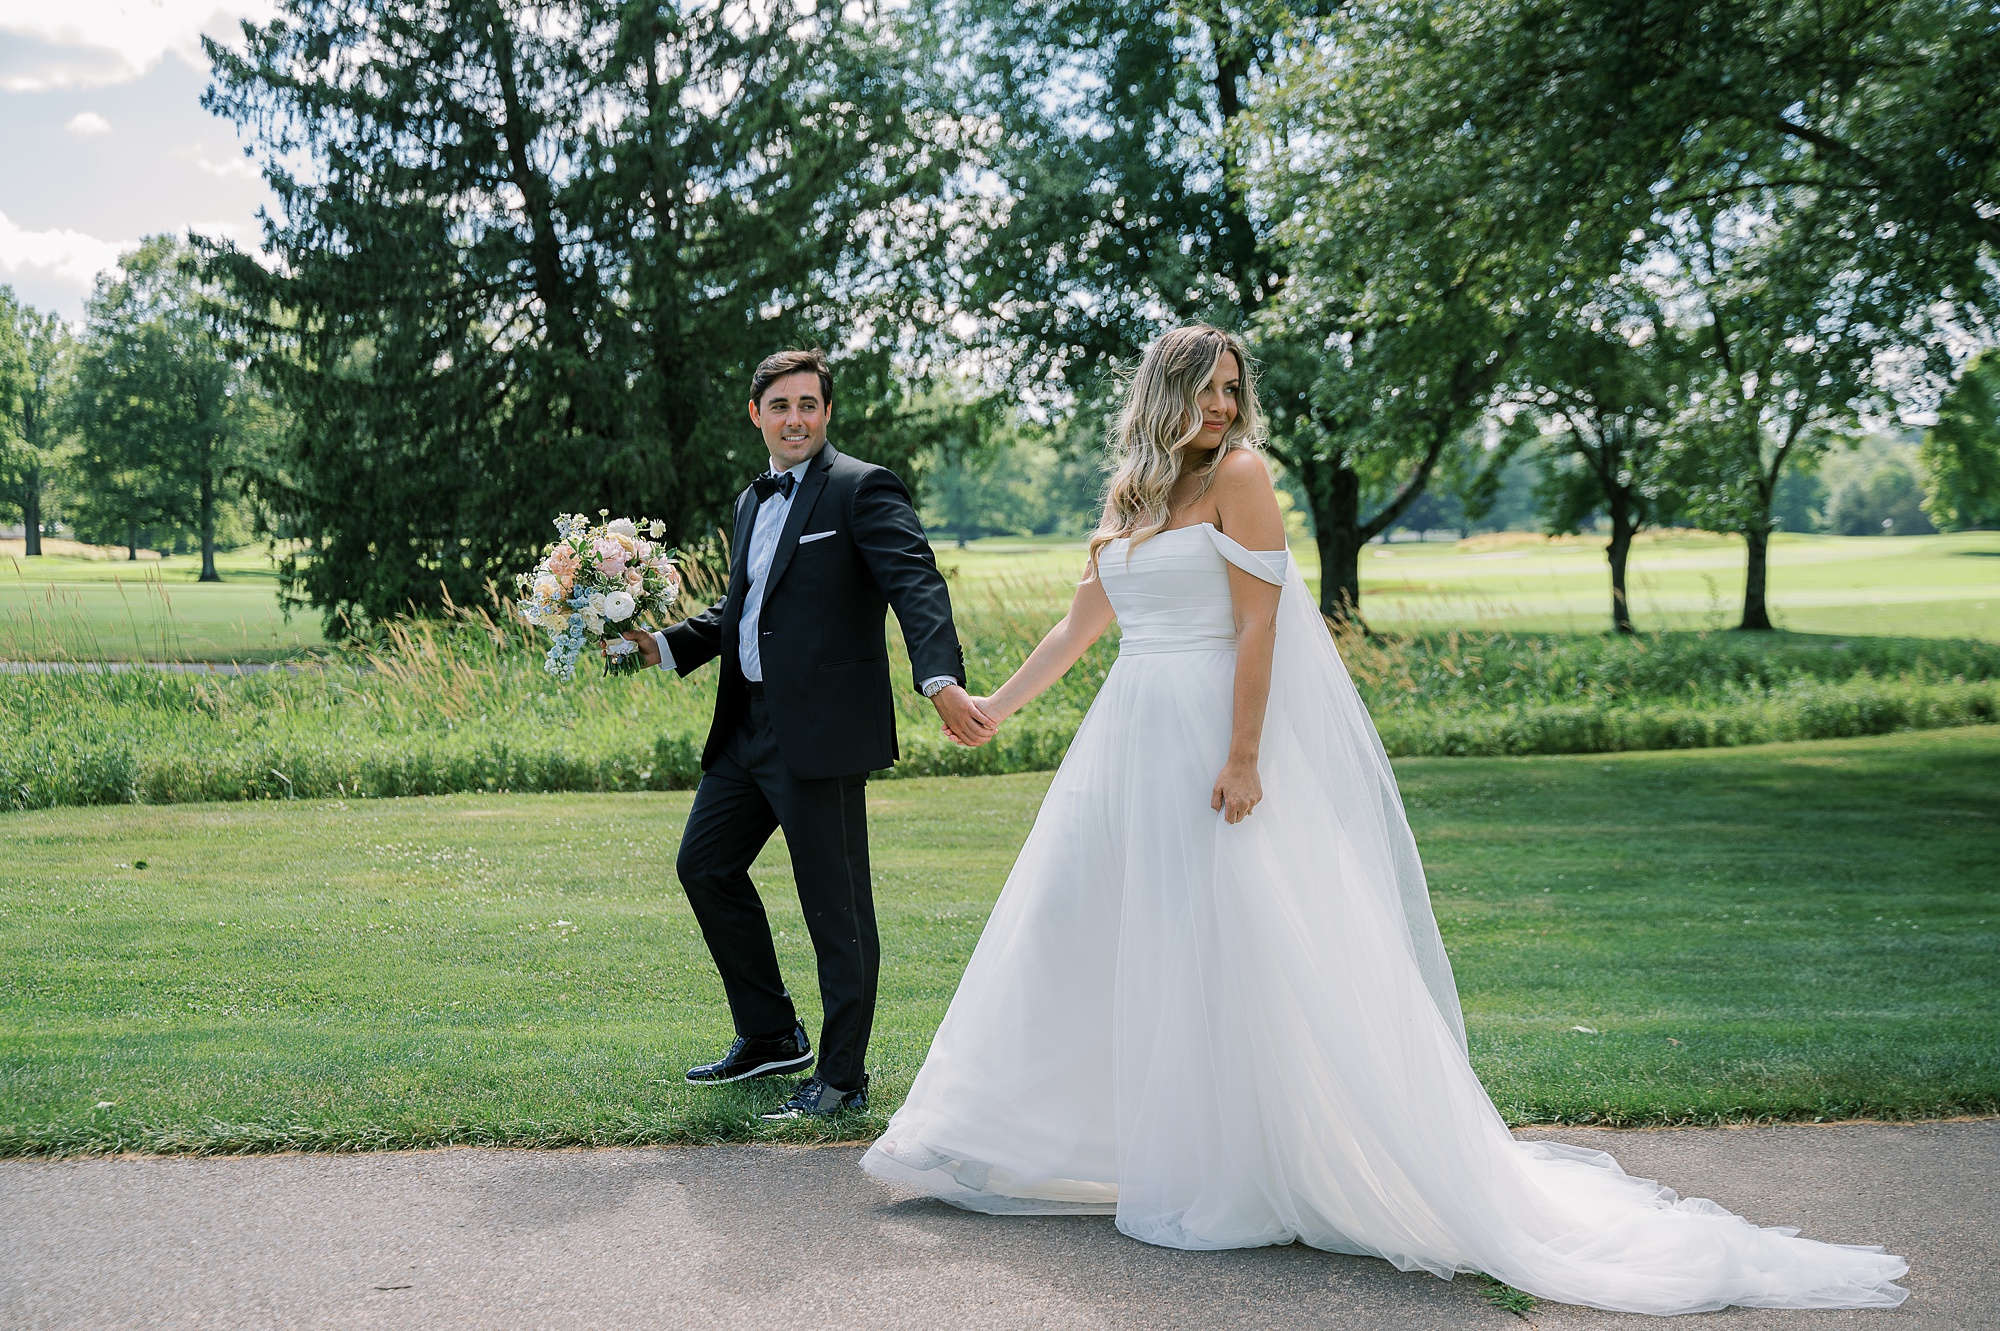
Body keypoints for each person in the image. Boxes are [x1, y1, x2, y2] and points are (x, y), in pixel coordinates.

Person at [860, 324, 1909, 1314]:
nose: (1226, 404)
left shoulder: (1241, 477)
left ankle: (1247, 1165)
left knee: (1236, 951)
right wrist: (995, 705)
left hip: (1208, 740)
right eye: (1211, 386)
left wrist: (1241, 755)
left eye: (1236, 387)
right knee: (1092, 934)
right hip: (1126, 739)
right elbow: (1083, 619)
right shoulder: (1134, 491)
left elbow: (1262, 625)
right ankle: (1019, 1133)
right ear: (1166, 390)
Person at [623, 348, 995, 1120]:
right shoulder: (750, 502)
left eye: (809, 405)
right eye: (781, 405)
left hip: (822, 732)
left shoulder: (862, 488)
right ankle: (770, 1038)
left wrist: (940, 679)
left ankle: (842, 1077)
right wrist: (661, 644)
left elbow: (915, 583)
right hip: (746, 727)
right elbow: (744, 613)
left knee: (837, 907)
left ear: (826, 414)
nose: (796, 419)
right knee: (705, 865)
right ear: (756, 414)